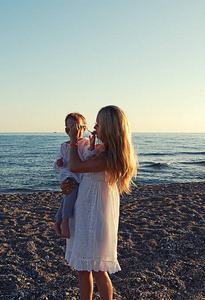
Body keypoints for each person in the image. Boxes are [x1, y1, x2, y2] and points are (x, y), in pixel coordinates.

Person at [62, 105, 138, 300]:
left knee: (98, 270)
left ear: (110, 128)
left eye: (98, 124)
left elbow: (77, 167)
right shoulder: (99, 150)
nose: (94, 128)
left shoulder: (109, 157)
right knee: (82, 268)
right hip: (84, 212)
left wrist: (72, 141)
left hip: (96, 218)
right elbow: (76, 175)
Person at [53, 113, 97, 238]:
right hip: (68, 175)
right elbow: (57, 164)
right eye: (69, 127)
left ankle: (57, 221)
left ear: (83, 129)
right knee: (71, 190)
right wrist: (59, 163)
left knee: (68, 196)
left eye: (76, 127)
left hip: (79, 176)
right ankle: (65, 222)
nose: (72, 131)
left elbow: (88, 156)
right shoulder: (64, 145)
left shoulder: (85, 143)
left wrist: (92, 145)